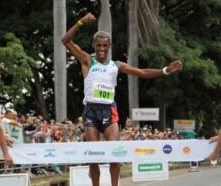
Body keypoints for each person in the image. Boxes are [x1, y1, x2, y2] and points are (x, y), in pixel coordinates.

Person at [62, 12, 182, 186]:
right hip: (90, 111)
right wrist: (80, 22)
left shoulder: (116, 65)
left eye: (105, 45)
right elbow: (65, 40)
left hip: (109, 110)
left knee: (114, 154)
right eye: (98, 46)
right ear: (94, 46)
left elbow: (141, 73)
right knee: (94, 156)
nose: (102, 49)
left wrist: (166, 70)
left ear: (109, 46)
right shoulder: (87, 61)